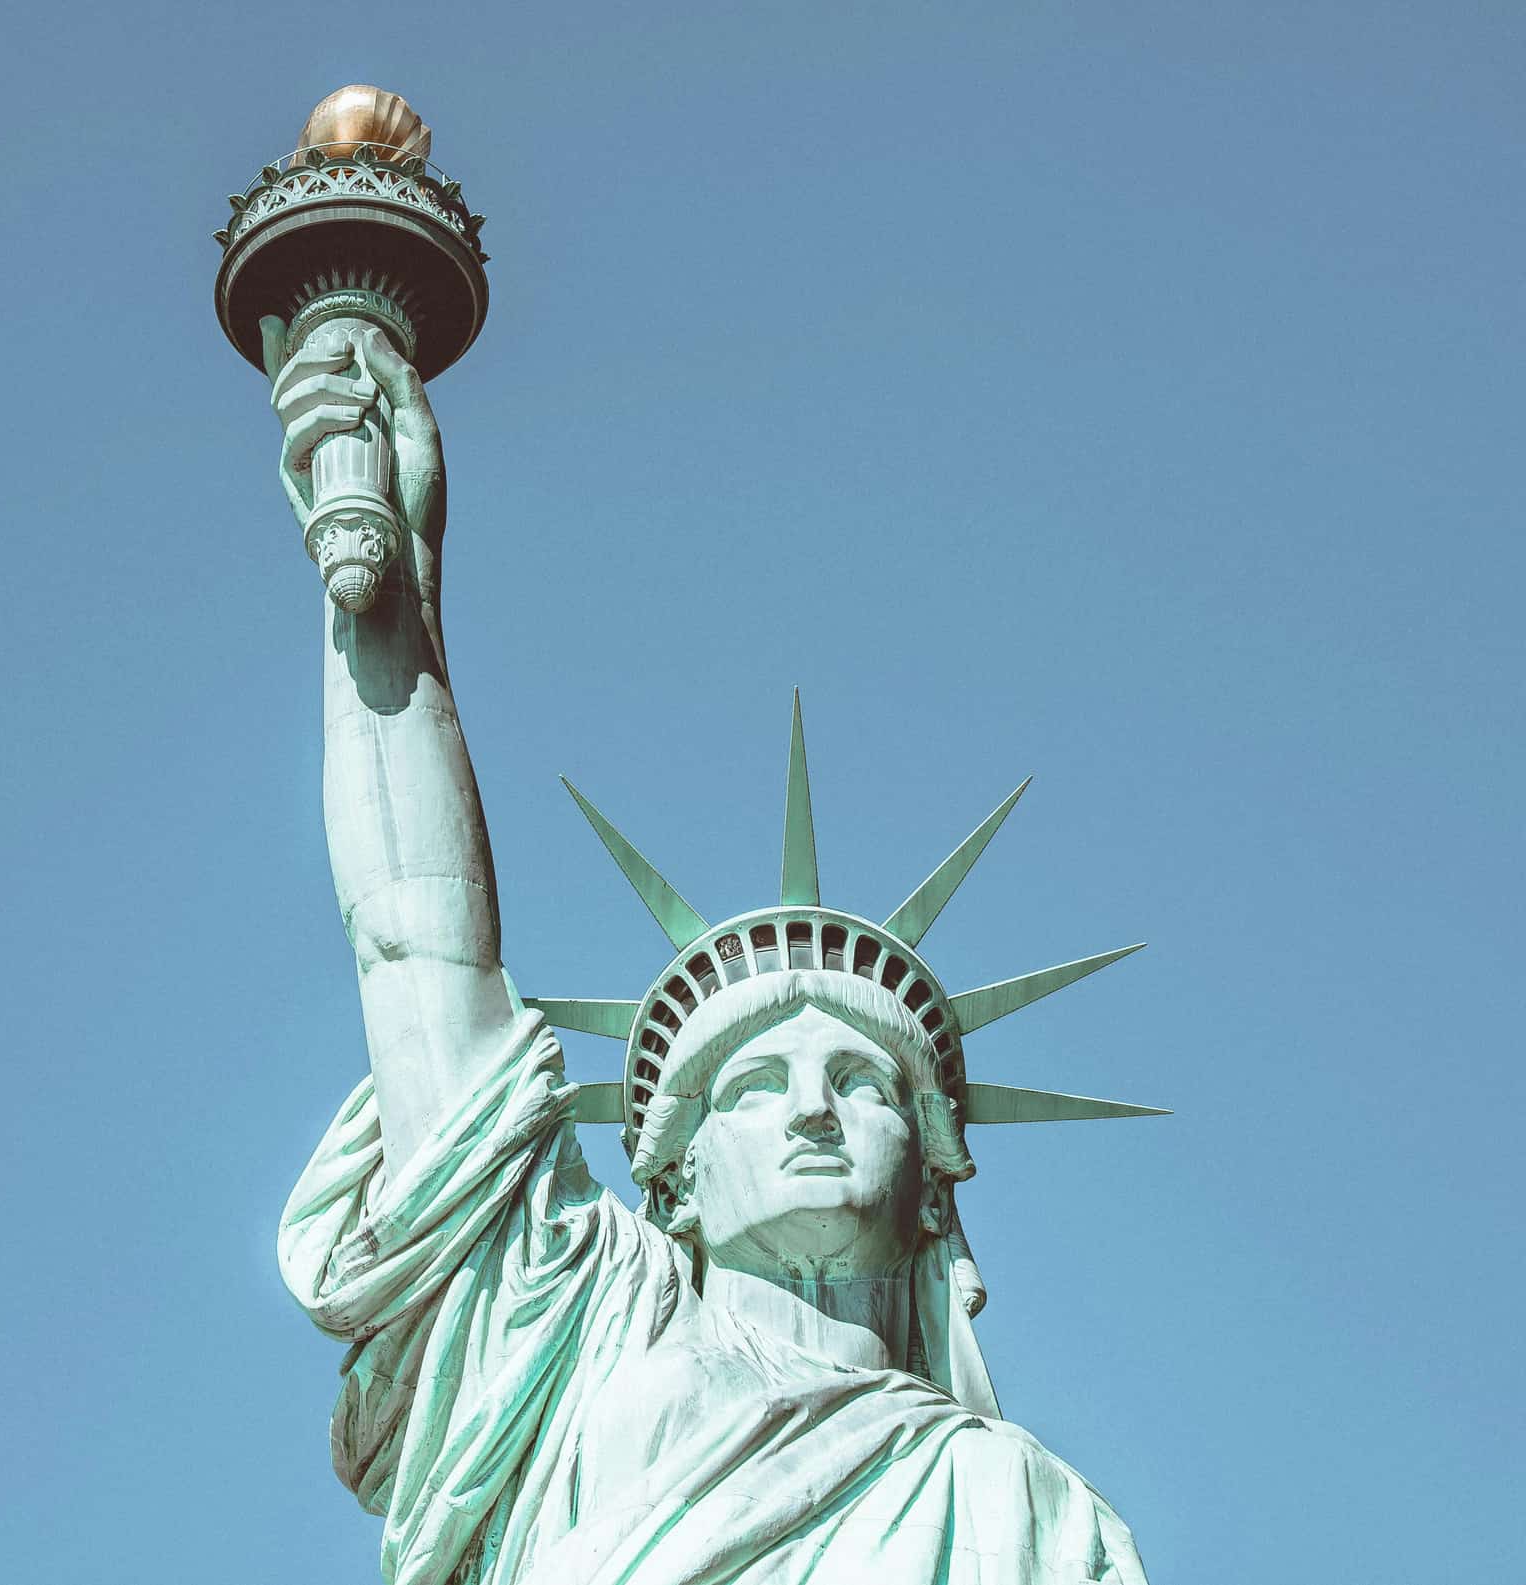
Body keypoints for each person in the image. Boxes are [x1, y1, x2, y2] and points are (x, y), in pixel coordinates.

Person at [272, 320, 1151, 1585]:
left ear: (935, 1185)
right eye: (751, 1085)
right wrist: (395, 588)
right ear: (673, 1177)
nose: (811, 1112)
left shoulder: (1029, 1511)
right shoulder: (579, 1342)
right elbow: (413, 944)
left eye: (862, 1083)